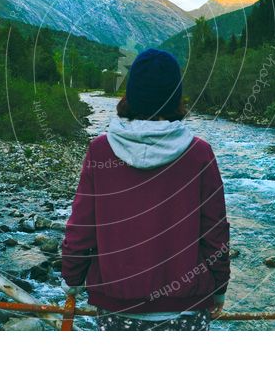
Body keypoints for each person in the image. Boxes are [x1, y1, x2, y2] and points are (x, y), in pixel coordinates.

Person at [61, 48, 230, 331]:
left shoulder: (100, 150)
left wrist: (72, 281)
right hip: (186, 309)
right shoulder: (200, 154)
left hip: (116, 306)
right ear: (176, 97)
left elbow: (81, 228)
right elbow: (215, 232)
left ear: (130, 95)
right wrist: (219, 286)